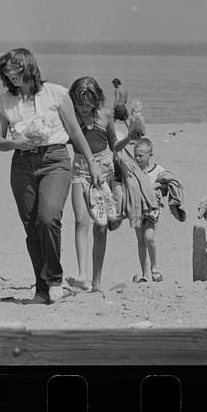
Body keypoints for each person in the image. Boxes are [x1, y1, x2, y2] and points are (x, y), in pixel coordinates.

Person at [0, 48, 103, 304]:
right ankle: (42, 290)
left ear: (28, 66)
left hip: (55, 160)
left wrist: (92, 162)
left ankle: (54, 278)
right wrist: (15, 144)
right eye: (7, 71)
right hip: (22, 165)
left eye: (15, 68)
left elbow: (75, 132)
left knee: (48, 218)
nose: (11, 74)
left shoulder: (57, 93)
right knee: (31, 228)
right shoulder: (4, 102)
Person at [67, 76, 123, 294]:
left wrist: (130, 139)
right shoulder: (70, 118)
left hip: (103, 171)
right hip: (80, 169)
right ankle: (82, 275)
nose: (82, 110)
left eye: (87, 106)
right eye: (79, 105)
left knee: (101, 226)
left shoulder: (106, 116)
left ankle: (97, 281)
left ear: (96, 101)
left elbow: (114, 145)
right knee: (81, 221)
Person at [118, 136, 166, 283]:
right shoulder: (132, 169)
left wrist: (158, 188)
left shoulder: (158, 170)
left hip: (152, 209)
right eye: (136, 155)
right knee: (140, 241)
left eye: (141, 156)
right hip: (136, 208)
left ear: (150, 155)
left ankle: (155, 267)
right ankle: (145, 273)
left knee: (149, 237)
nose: (137, 158)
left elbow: (166, 186)